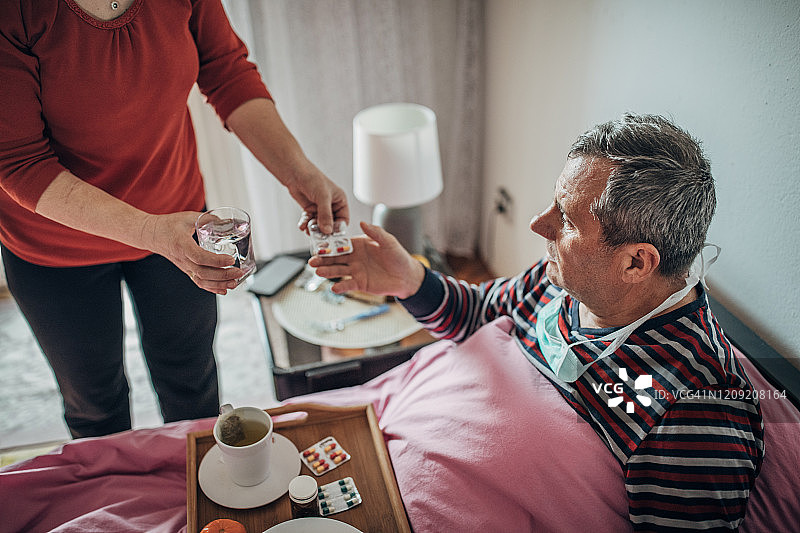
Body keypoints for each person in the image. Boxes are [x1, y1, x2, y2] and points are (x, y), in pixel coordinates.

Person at [310, 113, 764, 531]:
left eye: (565, 219)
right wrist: (411, 281)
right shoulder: (566, 280)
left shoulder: (696, 409)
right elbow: (477, 314)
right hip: (372, 444)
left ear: (636, 263)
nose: (537, 224)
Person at [0, 0, 348, 438]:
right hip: (54, 245)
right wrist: (149, 231)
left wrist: (300, 171)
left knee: (192, 385)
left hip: (178, 217)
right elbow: (18, 163)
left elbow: (226, 70)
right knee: (94, 406)